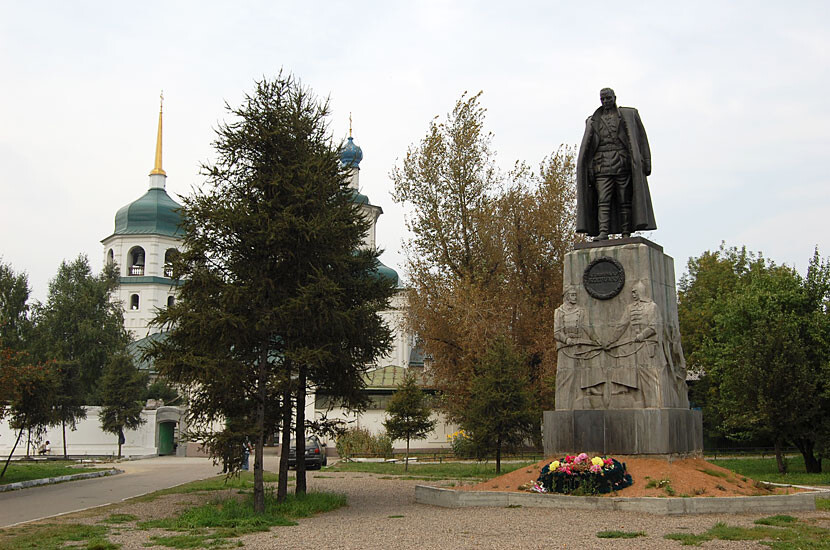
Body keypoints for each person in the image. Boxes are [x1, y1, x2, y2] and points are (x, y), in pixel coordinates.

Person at [576, 88, 656, 241]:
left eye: (608, 98)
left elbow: (642, 139)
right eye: (603, 99)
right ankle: (603, 232)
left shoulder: (628, 115)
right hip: (602, 165)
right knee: (603, 200)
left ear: (614, 98)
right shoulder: (592, 120)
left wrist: (646, 161)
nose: (606, 101)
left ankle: (626, 232)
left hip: (622, 162)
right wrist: (590, 167)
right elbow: (588, 148)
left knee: (624, 199)